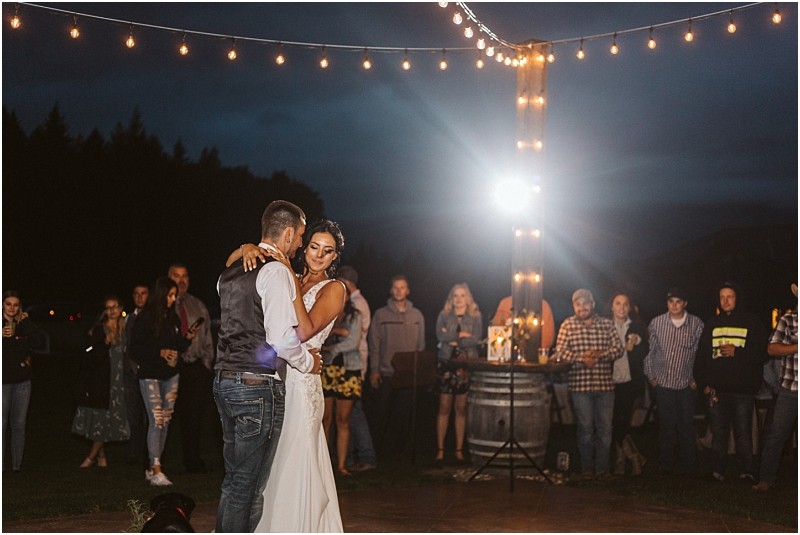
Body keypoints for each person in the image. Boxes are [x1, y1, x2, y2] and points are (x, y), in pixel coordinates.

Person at [213, 200, 319, 533]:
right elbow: (280, 338)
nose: (300, 243)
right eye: (300, 235)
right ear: (287, 233)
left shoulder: (228, 272)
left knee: (237, 481)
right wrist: (308, 363)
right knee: (246, 485)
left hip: (223, 381)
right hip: (257, 387)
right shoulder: (275, 271)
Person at [240, 218, 346, 532]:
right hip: (276, 379)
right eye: (314, 246)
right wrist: (247, 248)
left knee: (295, 459)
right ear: (305, 245)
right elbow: (233, 263)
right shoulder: (289, 276)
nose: (319, 255)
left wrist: (289, 278)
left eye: (327, 251)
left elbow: (305, 330)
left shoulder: (334, 289)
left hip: (303, 385)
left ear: (334, 258)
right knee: (272, 460)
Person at [694, 281, 768, 482]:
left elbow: (762, 352)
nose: (726, 301)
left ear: (738, 298)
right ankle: (717, 471)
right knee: (719, 433)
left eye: (730, 296)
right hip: (717, 390)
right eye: (722, 297)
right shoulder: (712, 324)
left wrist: (738, 351)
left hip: (742, 391)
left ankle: (746, 472)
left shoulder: (752, 322)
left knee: (743, 433)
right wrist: (704, 384)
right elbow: (701, 357)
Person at [130, 277, 197, 487]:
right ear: (161, 295)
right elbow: (135, 349)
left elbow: (175, 344)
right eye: (170, 295)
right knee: (156, 419)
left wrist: (186, 338)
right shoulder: (145, 318)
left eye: (174, 295)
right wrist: (159, 352)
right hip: (150, 374)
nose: (173, 299)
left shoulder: (172, 318)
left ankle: (153, 467)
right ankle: (156, 468)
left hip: (171, 375)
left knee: (166, 420)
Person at [553, 288, 623, 480]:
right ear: (574, 306)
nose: (582, 307)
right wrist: (581, 358)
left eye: (585, 303)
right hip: (580, 386)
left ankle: (602, 470)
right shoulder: (568, 325)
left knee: (605, 430)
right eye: (578, 304)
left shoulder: (607, 324)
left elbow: (618, 349)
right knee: (585, 428)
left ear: (592, 304)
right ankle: (586, 468)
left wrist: (600, 355)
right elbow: (559, 352)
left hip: (604, 386)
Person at [643, 287, 704, 475]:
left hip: (686, 385)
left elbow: (701, 355)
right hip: (663, 384)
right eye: (671, 302)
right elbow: (649, 352)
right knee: (666, 426)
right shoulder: (657, 323)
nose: (674, 305)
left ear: (685, 304)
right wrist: (652, 377)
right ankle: (665, 464)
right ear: (667, 303)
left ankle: (688, 465)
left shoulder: (696, 324)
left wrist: (696, 380)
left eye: (678, 302)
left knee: (686, 426)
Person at [367, 275, 426, 457]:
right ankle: (377, 452)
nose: (399, 291)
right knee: (381, 414)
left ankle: (399, 453)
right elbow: (374, 344)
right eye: (395, 287)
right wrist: (375, 370)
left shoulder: (417, 315)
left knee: (403, 416)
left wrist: (418, 371)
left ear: (408, 291)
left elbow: (421, 345)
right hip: (386, 372)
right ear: (391, 290)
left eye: (402, 288)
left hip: (408, 376)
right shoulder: (381, 314)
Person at [72, 295, 130, 468]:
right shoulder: (99, 328)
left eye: (115, 307)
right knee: (100, 416)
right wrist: (105, 342)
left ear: (121, 308)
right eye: (108, 307)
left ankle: (99, 455)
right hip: (102, 378)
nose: (112, 311)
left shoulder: (126, 328)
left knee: (111, 416)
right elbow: (90, 353)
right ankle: (93, 456)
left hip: (120, 379)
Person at [168, 262, 214, 474]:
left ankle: (193, 460)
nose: (182, 280)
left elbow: (207, 338)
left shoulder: (198, 305)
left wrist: (206, 364)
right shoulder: (163, 306)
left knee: (194, 417)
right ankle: (159, 461)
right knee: (165, 416)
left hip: (195, 369)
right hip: (170, 368)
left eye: (185, 276)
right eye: (177, 276)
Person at [753, 283, 798, 491]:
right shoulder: (788, 320)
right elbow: (772, 348)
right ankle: (766, 479)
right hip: (790, 389)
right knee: (777, 434)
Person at [434, 283, 482, 466]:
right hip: (447, 363)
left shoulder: (475, 315)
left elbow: (476, 339)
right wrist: (461, 335)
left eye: (462, 295)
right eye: (455, 295)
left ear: (468, 297)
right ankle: (440, 450)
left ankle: (459, 450)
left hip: (465, 365)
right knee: (444, 406)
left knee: (461, 409)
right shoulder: (444, 315)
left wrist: (454, 339)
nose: (459, 299)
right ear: (451, 298)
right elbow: (440, 336)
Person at [337, 265, 377, 472]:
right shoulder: (355, 302)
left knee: (354, 413)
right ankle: (349, 458)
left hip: (354, 363)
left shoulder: (357, 304)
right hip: (347, 362)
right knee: (350, 414)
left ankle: (366, 456)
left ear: (347, 283)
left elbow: (354, 338)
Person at [2, 290, 46, 473]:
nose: (12, 308)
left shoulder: (24, 324)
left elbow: (40, 342)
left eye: (15, 304)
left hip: (23, 382)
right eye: (8, 304)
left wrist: (25, 322)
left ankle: (16, 466)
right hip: (3, 382)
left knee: (19, 423)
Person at [321, 287, 363, 475]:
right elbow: (318, 338)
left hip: (348, 370)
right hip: (327, 369)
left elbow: (353, 342)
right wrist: (339, 331)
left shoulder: (356, 315)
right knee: (325, 419)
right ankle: (324, 464)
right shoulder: (325, 311)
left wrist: (333, 346)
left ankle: (342, 465)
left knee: (343, 419)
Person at [607, 291, 649, 476]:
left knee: (621, 421)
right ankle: (634, 457)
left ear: (629, 307)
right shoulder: (606, 326)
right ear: (612, 306)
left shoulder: (637, 325)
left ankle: (621, 462)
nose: (622, 308)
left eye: (625, 304)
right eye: (618, 303)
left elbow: (645, 346)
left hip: (630, 381)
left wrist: (636, 340)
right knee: (615, 421)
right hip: (610, 380)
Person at [123, 284, 149, 468]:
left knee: (149, 416)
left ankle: (150, 454)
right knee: (132, 414)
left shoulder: (152, 317)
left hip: (148, 372)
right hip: (130, 374)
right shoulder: (128, 319)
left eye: (144, 294)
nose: (140, 297)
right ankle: (133, 453)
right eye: (137, 294)